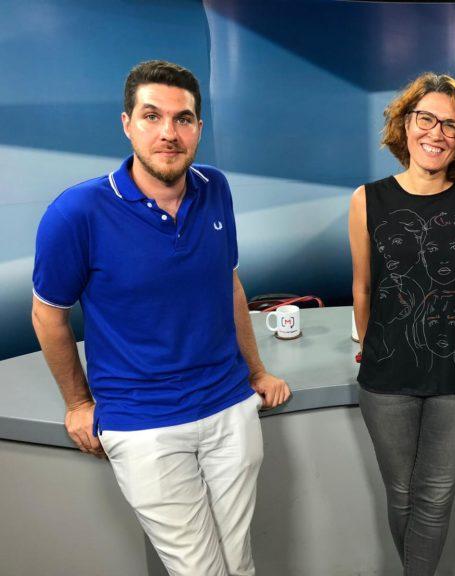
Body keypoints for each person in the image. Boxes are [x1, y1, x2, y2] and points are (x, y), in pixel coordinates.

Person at [31, 60, 290, 576]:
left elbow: (229, 284)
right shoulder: (76, 212)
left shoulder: (215, 188)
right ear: (127, 124)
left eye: (183, 118)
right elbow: (47, 315)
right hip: (143, 424)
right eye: (152, 116)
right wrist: (78, 403)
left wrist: (257, 371)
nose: (169, 132)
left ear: (199, 128)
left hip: (228, 408)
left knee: (238, 562)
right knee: (199, 570)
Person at [349, 72, 455, 575]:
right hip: (387, 378)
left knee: (435, 497)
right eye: (425, 119)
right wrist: (372, 344)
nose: (436, 133)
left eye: (450, 124)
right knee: (402, 493)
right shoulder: (367, 199)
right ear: (405, 124)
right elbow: (363, 288)